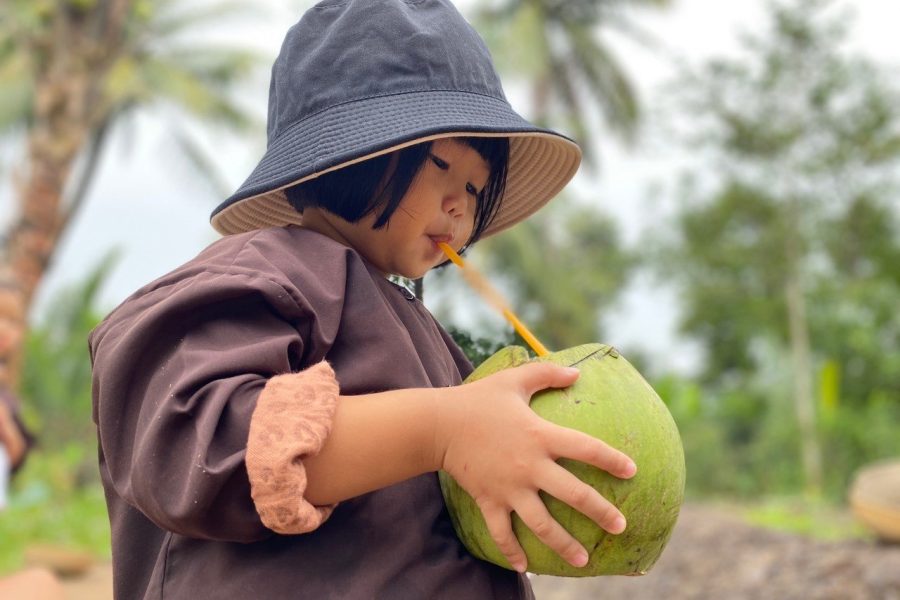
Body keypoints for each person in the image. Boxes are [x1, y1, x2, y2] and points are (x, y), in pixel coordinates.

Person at [89, 1, 637, 598]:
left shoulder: (417, 326)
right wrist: (442, 430)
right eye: (442, 166)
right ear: (355, 155)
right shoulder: (266, 271)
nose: (461, 206)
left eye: (476, 188)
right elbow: (198, 446)